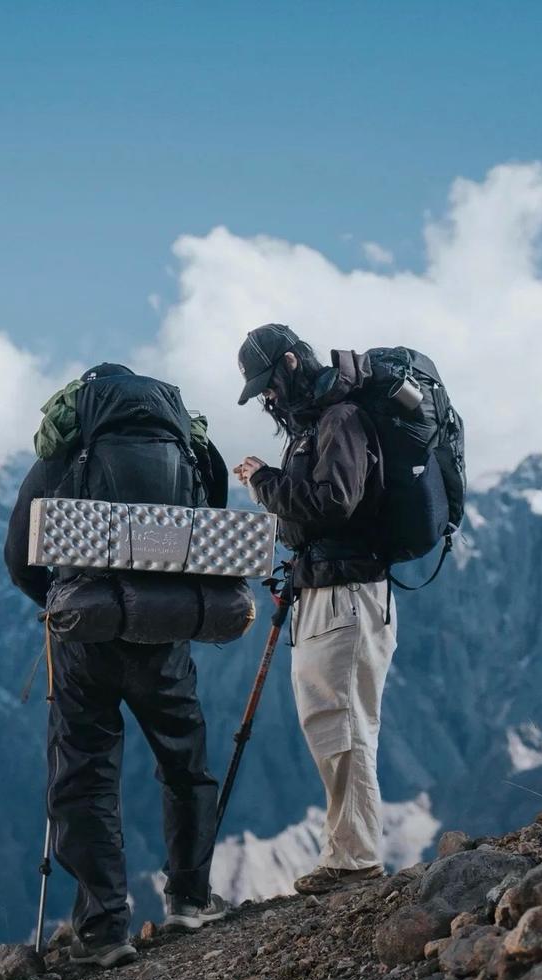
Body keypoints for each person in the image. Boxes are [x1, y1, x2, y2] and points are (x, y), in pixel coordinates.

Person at [5, 363, 229, 969]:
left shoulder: (66, 450)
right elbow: (210, 533)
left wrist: (61, 606)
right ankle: (190, 899)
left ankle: (104, 930)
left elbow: (19, 555)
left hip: (86, 642)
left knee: (85, 775)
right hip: (164, 638)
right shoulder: (191, 450)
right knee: (185, 764)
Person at [233, 324, 397, 895]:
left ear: (290, 363)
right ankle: (349, 849)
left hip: (345, 596)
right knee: (336, 723)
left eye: (267, 387)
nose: (268, 400)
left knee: (341, 724)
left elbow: (335, 501)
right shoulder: (319, 422)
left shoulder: (339, 419)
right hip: (327, 594)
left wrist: (266, 480)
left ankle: (353, 857)